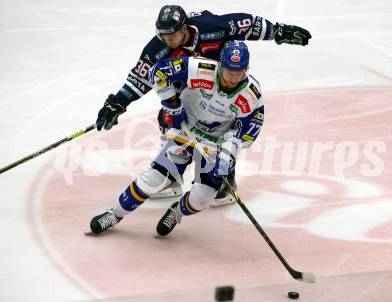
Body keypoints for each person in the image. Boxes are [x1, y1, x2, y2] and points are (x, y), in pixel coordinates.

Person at [95, 5, 311, 205]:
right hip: (189, 91)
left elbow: (246, 24)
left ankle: (224, 180)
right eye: (163, 34)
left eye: (172, 34)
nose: (167, 39)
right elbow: (140, 78)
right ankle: (171, 175)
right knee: (168, 118)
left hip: (223, 84)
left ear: (184, 27)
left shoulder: (210, 27)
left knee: (224, 129)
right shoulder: (157, 48)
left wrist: (278, 31)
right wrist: (118, 103)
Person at [88, 40, 264, 236]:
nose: (232, 78)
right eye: (229, 72)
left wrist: (226, 157)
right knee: (153, 179)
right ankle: (114, 214)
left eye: (238, 73)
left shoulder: (251, 95)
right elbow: (157, 72)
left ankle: (176, 212)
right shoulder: (200, 68)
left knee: (202, 198)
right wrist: (172, 104)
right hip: (186, 132)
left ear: (246, 70)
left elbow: (245, 133)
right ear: (221, 65)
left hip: (216, 144)